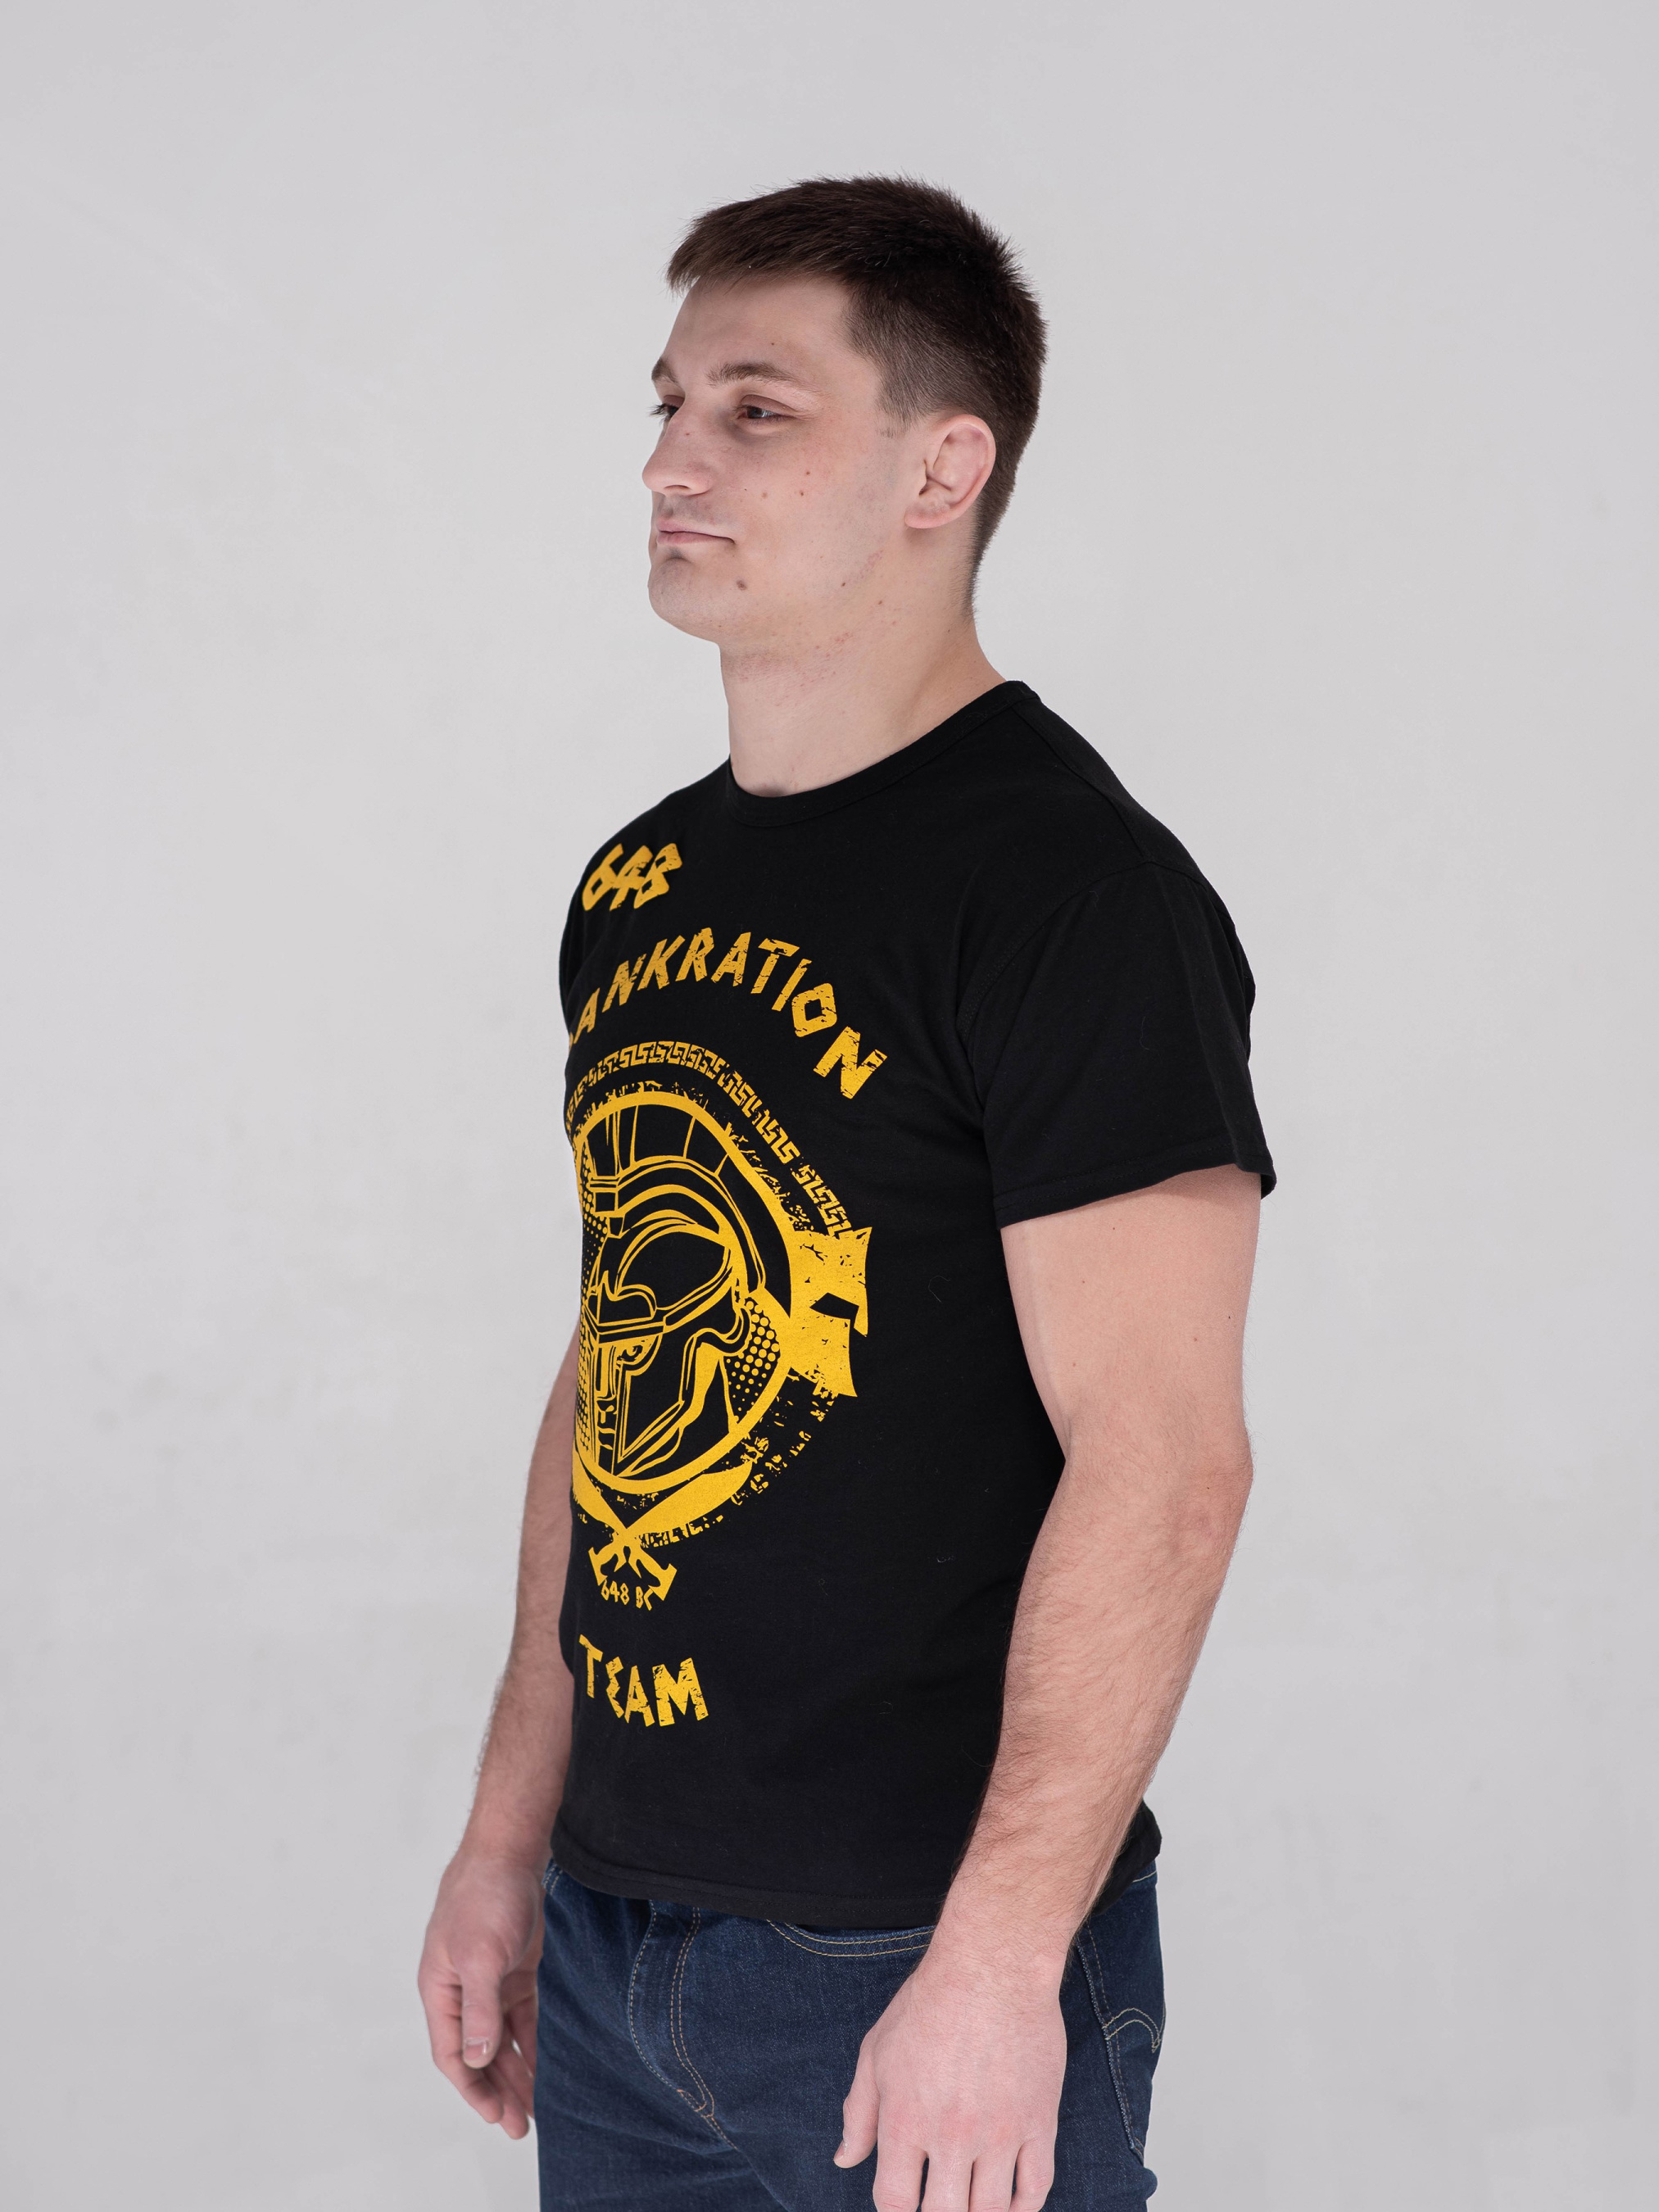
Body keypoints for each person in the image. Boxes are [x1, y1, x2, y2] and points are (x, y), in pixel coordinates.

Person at [418, 175, 1273, 2212]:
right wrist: (509, 1833)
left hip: (907, 1953)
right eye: (668, 405)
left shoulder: (1070, 894)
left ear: (938, 469)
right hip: (615, 1935)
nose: (670, 463)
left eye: (754, 411)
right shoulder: (639, 884)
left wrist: (994, 1965)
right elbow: (615, 1367)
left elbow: (1162, 1463)